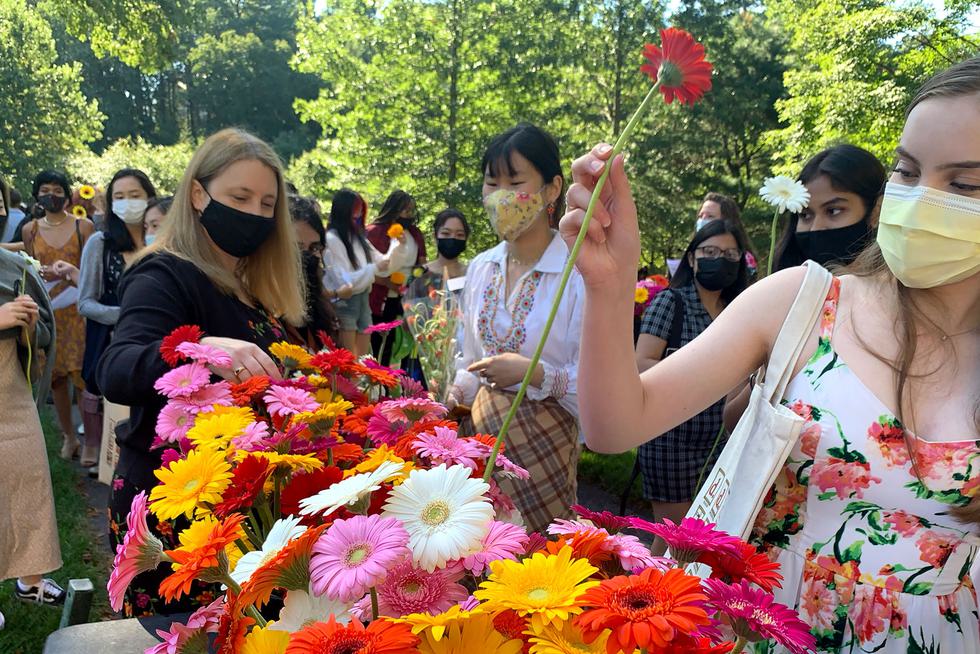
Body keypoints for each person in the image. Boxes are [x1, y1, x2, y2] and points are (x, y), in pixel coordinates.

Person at [563, 57, 980, 652]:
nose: (919, 201)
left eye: (964, 185)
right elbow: (615, 425)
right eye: (907, 171)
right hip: (764, 628)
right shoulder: (803, 302)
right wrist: (608, 283)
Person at [96, 128, 305, 616]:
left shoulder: (247, 283)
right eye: (240, 197)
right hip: (180, 516)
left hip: (239, 503)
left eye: (267, 203)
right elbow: (116, 368)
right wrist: (201, 349)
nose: (254, 213)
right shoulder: (163, 273)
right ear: (197, 194)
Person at [449, 123, 583, 534]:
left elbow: (598, 383)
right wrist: (455, 393)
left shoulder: (577, 272)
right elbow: (469, 360)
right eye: (492, 183)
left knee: (536, 555)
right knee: (475, 551)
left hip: (546, 447)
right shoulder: (481, 268)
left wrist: (534, 374)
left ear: (552, 188)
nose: (501, 195)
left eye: (515, 182)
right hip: (480, 441)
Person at [633, 219, 750, 553]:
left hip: (716, 444)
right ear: (692, 258)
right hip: (670, 439)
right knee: (676, 537)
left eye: (729, 254)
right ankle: (647, 585)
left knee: (697, 536)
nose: (719, 260)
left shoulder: (736, 310)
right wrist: (703, 378)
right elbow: (642, 364)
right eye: (709, 251)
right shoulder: (671, 302)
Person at [0, 246, 63, 629]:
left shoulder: (13, 267)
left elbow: (40, 339)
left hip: (12, 396)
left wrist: (29, 325)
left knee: (29, 482)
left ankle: (30, 580)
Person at [77, 169, 157, 470]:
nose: (128, 203)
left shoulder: (163, 240)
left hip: (158, 344)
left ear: (150, 197)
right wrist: (130, 315)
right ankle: (106, 460)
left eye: (135, 195)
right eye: (119, 197)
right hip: (113, 342)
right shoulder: (100, 243)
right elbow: (85, 303)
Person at [22, 170, 95, 460]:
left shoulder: (83, 226)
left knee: (83, 378)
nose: (50, 195)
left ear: (66, 193)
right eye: (44, 190)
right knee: (55, 379)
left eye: (56, 189)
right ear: (36, 194)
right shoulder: (30, 230)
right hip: (48, 312)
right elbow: (29, 267)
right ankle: (69, 437)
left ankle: (91, 439)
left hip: (80, 313)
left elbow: (93, 269)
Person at [773, 144, 887, 271]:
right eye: (805, 215)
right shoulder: (784, 281)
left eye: (833, 211)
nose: (816, 228)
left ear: (876, 212)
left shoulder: (899, 280)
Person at [325, 189, 392, 357]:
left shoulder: (359, 237)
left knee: (362, 358)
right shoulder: (332, 239)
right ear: (344, 210)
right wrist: (374, 269)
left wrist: (398, 244)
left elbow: (382, 260)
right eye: (355, 211)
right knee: (347, 358)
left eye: (361, 211)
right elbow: (344, 280)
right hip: (345, 302)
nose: (359, 215)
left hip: (363, 299)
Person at [366, 190, 427, 365]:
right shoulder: (374, 232)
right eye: (405, 210)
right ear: (393, 209)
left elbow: (421, 264)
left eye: (411, 210)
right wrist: (387, 283)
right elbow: (366, 268)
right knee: (378, 343)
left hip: (406, 295)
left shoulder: (415, 234)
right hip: (378, 296)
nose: (409, 214)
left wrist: (412, 284)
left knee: (401, 343)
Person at [289, 194, 341, 347]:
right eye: (296, 248)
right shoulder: (259, 312)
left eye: (314, 248)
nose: (307, 257)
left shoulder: (319, 308)